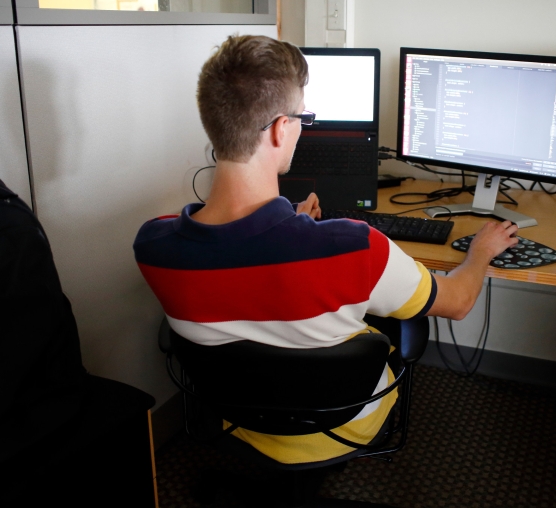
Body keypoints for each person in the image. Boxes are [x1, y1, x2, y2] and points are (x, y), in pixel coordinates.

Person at [133, 35, 518, 464]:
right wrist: (481, 250)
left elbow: (245, 269)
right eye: (303, 117)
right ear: (282, 128)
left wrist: (294, 224)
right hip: (342, 425)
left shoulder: (154, 245)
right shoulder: (354, 247)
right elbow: (459, 302)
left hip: (235, 417)